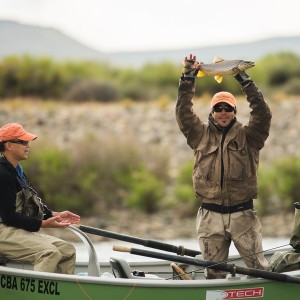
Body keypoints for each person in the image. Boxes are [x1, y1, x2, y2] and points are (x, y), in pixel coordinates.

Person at [176, 54, 272, 279]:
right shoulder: (198, 135)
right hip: (210, 217)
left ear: (235, 111)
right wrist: (188, 76)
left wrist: (244, 80)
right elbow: (183, 112)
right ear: (212, 112)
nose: (223, 112)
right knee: (214, 275)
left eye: (227, 108)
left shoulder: (251, 137)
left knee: (259, 273)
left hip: (243, 216)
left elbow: (262, 114)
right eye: (218, 108)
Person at [0, 123, 80, 274]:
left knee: (68, 251)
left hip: (12, 229)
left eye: (27, 142)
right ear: (9, 145)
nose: (28, 145)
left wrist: (54, 215)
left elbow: (31, 204)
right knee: (49, 253)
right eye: (23, 142)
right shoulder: (2, 174)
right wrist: (43, 224)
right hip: (3, 231)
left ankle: (61, 295)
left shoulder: (17, 171)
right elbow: (9, 216)